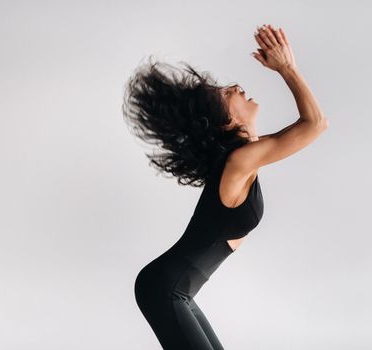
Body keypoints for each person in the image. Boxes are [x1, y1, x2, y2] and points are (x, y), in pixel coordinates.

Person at [122, 23, 329, 350]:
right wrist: (287, 68)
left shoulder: (243, 157)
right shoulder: (239, 162)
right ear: (226, 121)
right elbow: (314, 124)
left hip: (177, 291)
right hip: (165, 290)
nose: (234, 87)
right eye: (224, 94)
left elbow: (297, 130)